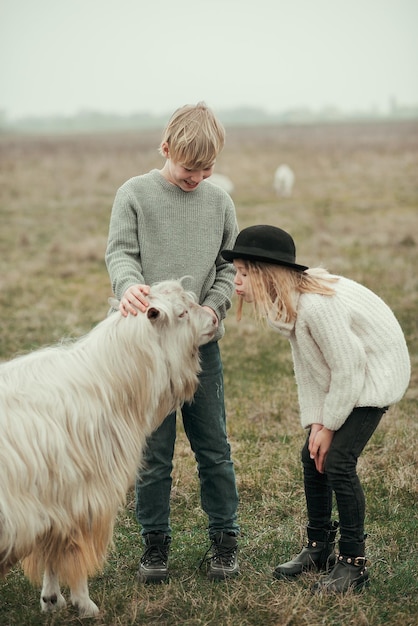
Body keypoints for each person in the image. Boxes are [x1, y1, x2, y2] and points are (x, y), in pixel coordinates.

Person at [221, 224, 410, 593]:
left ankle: (354, 564)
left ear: (266, 274)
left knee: (338, 461)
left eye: (244, 272)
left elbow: (348, 367)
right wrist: (317, 424)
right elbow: (311, 371)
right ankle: (318, 547)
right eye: (236, 271)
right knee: (312, 456)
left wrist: (330, 426)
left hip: (374, 373)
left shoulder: (316, 307)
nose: (236, 280)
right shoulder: (289, 303)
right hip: (349, 373)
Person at [105, 102, 240, 583]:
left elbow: (229, 267)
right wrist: (128, 287)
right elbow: (120, 252)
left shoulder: (219, 202)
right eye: (188, 168)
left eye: (207, 169)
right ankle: (154, 546)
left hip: (198, 349)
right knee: (153, 451)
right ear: (165, 149)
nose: (197, 178)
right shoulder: (135, 194)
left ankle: (225, 541)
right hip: (145, 351)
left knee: (214, 448)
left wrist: (214, 307)